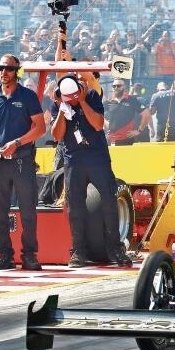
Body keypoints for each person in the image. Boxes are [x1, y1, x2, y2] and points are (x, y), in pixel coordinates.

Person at [50, 74, 132, 268]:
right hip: (73, 160)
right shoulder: (59, 101)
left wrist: (83, 101)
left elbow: (97, 124)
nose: (72, 98)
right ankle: (78, 251)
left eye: (74, 94)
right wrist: (63, 109)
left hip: (97, 158)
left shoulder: (92, 96)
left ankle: (116, 249)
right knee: (75, 206)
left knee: (108, 202)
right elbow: (57, 135)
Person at [0, 55, 46, 270]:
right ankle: (4, 256)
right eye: (1, 68)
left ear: (17, 71)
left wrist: (17, 143)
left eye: (8, 68)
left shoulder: (28, 96)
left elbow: (41, 128)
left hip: (22, 162)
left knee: (28, 211)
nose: (4, 72)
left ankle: (30, 255)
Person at [105, 81, 150, 146]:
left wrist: (139, 130)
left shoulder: (132, 100)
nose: (116, 88)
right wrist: (106, 123)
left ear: (124, 87)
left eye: (119, 86)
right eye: (114, 86)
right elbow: (99, 116)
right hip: (111, 139)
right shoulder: (108, 101)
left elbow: (146, 114)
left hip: (127, 139)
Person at [149, 74, 175, 141]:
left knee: (161, 145)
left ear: (157, 89)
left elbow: (152, 112)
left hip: (162, 125)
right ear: (166, 87)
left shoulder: (155, 96)